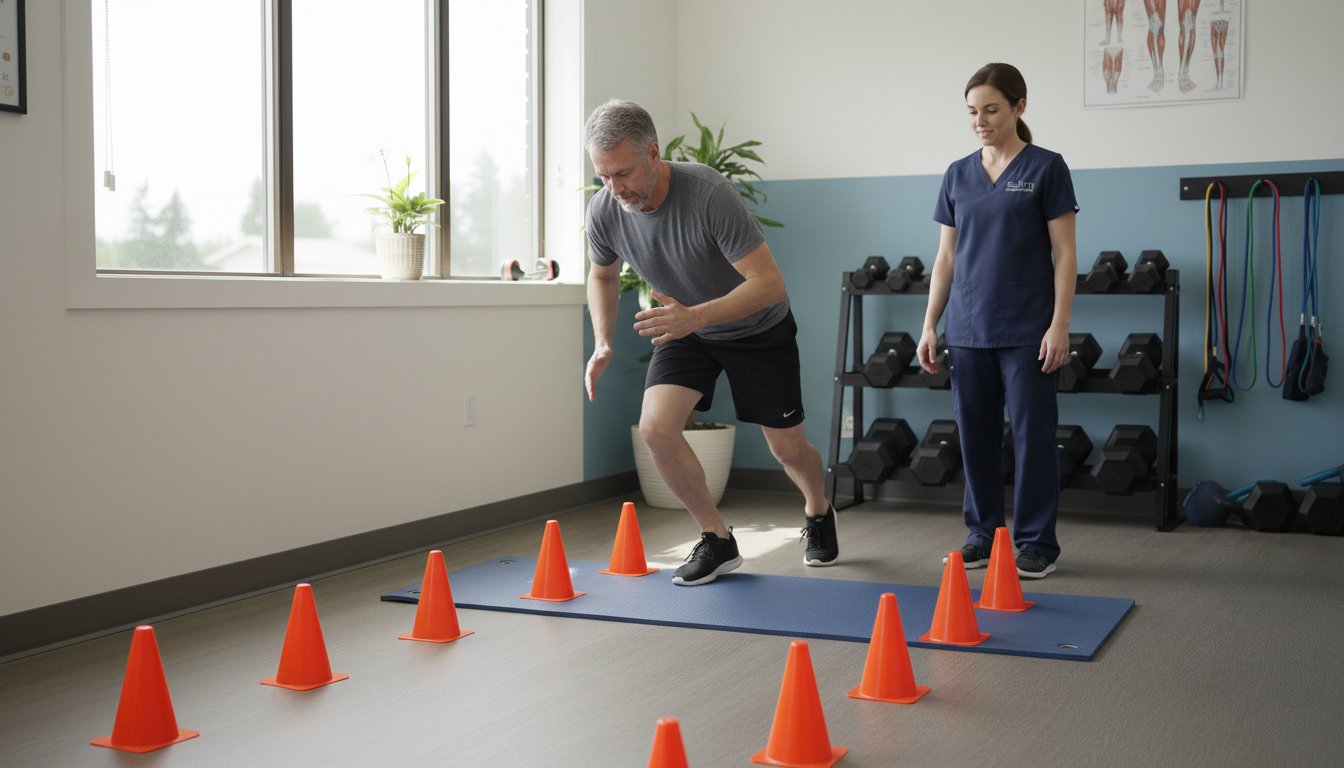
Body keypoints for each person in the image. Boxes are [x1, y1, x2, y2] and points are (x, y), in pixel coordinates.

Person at [582, 98, 837, 586]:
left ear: (653, 153)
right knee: (657, 429)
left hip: (755, 327)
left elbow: (769, 284)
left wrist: (693, 317)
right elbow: (602, 274)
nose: (614, 189)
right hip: (686, 329)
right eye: (603, 176)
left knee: (787, 450)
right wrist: (602, 342)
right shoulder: (606, 209)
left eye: (624, 173)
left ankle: (818, 509)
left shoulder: (707, 193)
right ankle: (717, 540)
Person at [918, 64, 1079, 579]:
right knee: (975, 437)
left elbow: (1066, 254)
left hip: (1029, 330)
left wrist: (1059, 325)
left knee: (1034, 437)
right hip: (967, 329)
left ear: (1018, 108)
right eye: (972, 112)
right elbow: (946, 258)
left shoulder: (1047, 167)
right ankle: (983, 534)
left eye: (991, 109)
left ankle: (1036, 543)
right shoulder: (956, 174)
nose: (981, 121)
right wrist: (929, 324)